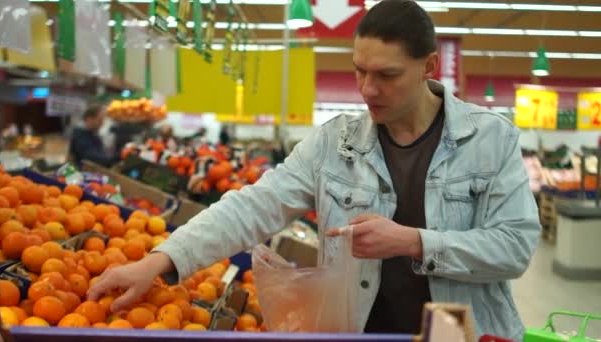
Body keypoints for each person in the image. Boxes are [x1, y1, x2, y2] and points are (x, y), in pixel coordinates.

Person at [87, 0, 540, 339]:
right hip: (361, 330)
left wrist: (412, 241)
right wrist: (161, 260)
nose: (367, 88)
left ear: (429, 66)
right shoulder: (335, 143)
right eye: (360, 71)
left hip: (465, 333)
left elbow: (515, 247)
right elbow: (253, 207)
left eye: (386, 75)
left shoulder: (489, 139)